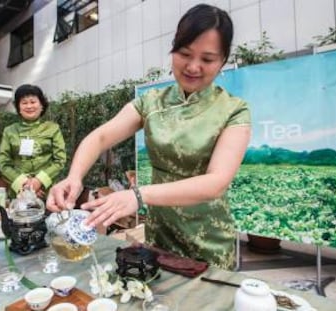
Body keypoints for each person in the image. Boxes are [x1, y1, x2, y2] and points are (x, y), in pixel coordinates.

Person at [47, 4, 251, 269]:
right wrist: (74, 177)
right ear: (173, 49)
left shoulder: (234, 109)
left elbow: (216, 182)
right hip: (160, 233)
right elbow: (99, 137)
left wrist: (138, 196)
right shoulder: (152, 102)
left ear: (223, 60)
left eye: (208, 59)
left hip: (208, 237)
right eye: (184, 53)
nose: (193, 66)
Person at [0, 84, 67, 199]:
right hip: (20, 192)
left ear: (41, 105)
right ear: (19, 108)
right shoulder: (9, 131)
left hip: (47, 191)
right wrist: (23, 183)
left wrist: (39, 181)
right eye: (24, 103)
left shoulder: (53, 128)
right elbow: (3, 163)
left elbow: (60, 160)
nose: (29, 106)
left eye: (33, 102)